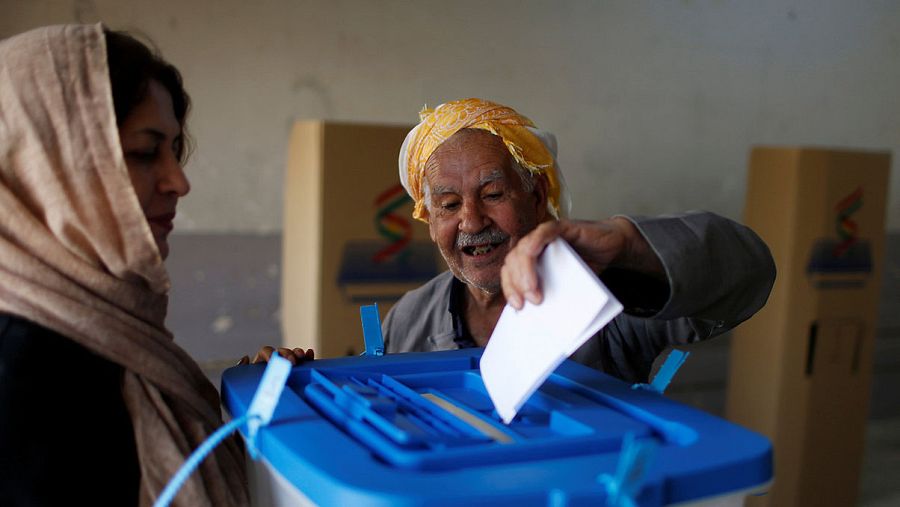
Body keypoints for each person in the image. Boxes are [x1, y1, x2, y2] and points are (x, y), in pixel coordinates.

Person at [0, 25, 247, 506]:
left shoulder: (112, 329)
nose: (179, 182)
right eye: (143, 152)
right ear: (41, 168)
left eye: (174, 151)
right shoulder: (26, 374)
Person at [383, 98, 776, 383]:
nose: (471, 219)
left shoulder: (601, 291)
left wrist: (627, 243)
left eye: (493, 195)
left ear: (537, 198)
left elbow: (751, 274)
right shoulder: (409, 318)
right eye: (449, 204)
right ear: (430, 222)